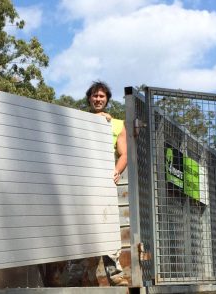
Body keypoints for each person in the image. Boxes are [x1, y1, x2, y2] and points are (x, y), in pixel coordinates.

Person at [86, 81, 128, 286]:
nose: (98, 99)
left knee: (107, 225)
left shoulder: (117, 124)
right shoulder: (80, 119)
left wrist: (116, 170)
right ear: (89, 99)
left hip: (104, 184)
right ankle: (78, 277)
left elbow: (124, 154)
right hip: (82, 182)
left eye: (101, 96)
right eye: (94, 96)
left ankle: (115, 275)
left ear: (107, 99)